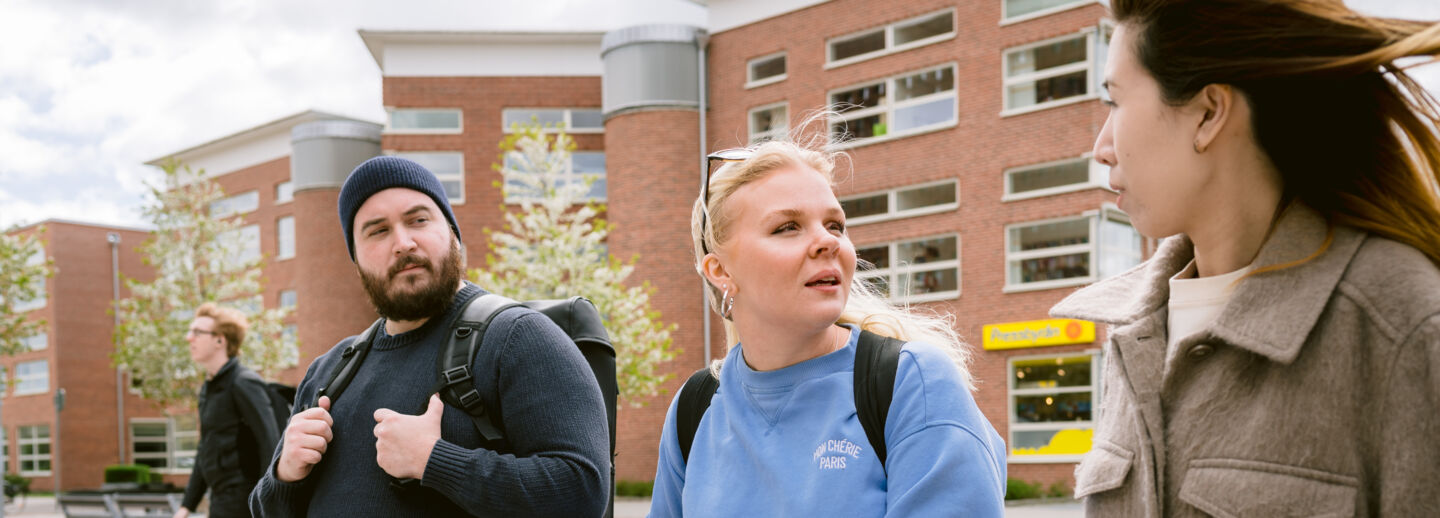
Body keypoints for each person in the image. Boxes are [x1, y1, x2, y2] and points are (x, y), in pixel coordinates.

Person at [1050, 0, 1440, 515]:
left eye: (1115, 102)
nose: (1102, 147)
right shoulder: (1132, 331)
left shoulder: (1404, 326)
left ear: (1209, 113)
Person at [648, 138, 1007, 517]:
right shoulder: (695, 406)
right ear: (720, 271)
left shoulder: (913, 383)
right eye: (788, 227)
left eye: (835, 225)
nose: (827, 242)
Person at [249, 156, 610, 517]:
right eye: (378, 230)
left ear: (452, 233)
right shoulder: (328, 372)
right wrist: (285, 475)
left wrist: (435, 461)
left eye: (418, 220)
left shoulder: (519, 337)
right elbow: (266, 510)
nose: (403, 243)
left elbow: (583, 492)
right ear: (357, 261)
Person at [176, 303, 280, 518]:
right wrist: (187, 506)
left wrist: (267, 505)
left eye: (197, 332)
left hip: (246, 501)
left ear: (220, 340)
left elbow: (270, 443)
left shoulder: (244, 382)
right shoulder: (208, 389)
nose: (189, 338)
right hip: (221, 500)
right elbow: (206, 448)